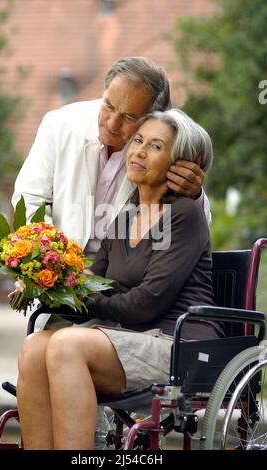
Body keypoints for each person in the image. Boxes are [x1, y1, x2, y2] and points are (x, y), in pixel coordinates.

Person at [16, 108, 224, 450]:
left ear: (181, 165)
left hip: (177, 343)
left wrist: (87, 296)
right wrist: (46, 285)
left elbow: (146, 303)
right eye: (138, 140)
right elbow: (92, 284)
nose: (139, 151)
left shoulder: (185, 215)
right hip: (127, 339)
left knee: (68, 344)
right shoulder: (126, 215)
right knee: (35, 346)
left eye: (156, 147)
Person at [12, 57, 208, 330]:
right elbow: (30, 201)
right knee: (36, 349)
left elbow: (191, 223)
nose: (112, 123)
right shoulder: (59, 125)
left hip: (125, 292)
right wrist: (41, 264)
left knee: (62, 349)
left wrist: (195, 193)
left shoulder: (163, 146)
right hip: (70, 284)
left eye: (129, 117)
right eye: (108, 105)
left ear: (153, 117)